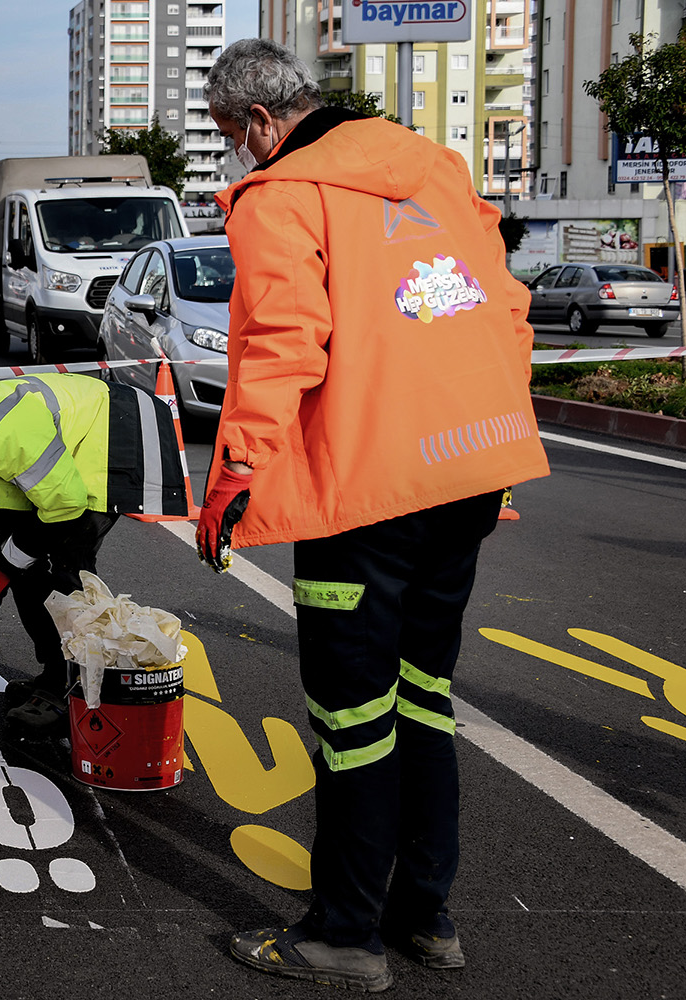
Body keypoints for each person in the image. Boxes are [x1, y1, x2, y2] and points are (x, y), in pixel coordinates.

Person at [197, 39, 549, 991]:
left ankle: (344, 935)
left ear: (262, 123)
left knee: (353, 716)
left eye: (234, 137)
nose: (238, 156)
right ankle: (424, 915)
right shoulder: (431, 168)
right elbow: (503, 310)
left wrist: (233, 478)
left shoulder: (282, 196)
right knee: (424, 697)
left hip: (369, 491)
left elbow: (279, 345)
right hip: (470, 471)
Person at [0, 373, 188, 733]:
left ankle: (71, 689)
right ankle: (55, 675)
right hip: (64, 455)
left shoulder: (5, 437)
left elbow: (65, 506)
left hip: (117, 430)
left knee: (61, 561)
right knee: (23, 560)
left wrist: (2, 565)